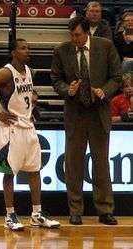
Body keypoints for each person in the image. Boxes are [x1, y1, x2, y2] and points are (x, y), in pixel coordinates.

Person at [0, 38, 60, 231]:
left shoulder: (29, 71)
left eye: (28, 47)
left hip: (28, 127)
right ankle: (9, 216)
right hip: (10, 129)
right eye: (23, 48)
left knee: (34, 170)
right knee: (8, 173)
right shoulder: (6, 72)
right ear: (13, 52)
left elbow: (26, 95)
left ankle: (36, 214)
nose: (27, 51)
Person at [51, 16, 122, 225]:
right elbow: (55, 80)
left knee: (101, 165)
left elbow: (117, 77)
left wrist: (104, 91)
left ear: (87, 33)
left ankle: (105, 210)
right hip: (75, 113)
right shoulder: (61, 50)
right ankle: (75, 210)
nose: (74, 39)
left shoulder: (106, 46)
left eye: (78, 35)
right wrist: (67, 89)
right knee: (73, 165)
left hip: (98, 112)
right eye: (71, 35)